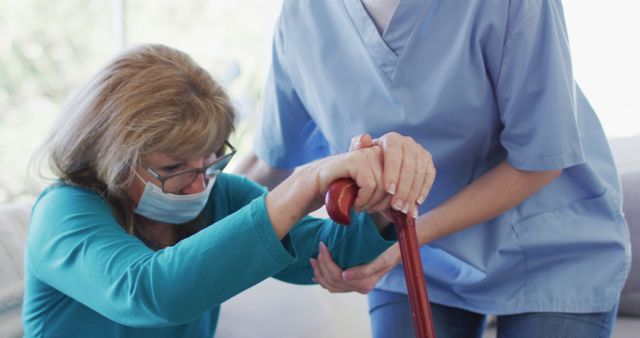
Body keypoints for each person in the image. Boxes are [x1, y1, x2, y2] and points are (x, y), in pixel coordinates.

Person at [235, 0, 631, 337]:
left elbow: (539, 162)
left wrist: (406, 240)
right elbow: (273, 158)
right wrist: (196, 225)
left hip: (547, 251)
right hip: (410, 256)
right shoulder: (304, 14)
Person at [22, 43, 435, 338]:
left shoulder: (220, 197)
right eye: (173, 168)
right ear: (113, 157)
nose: (200, 182)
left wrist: (382, 194)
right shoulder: (64, 212)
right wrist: (305, 185)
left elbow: (330, 252)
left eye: (212, 159)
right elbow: (153, 292)